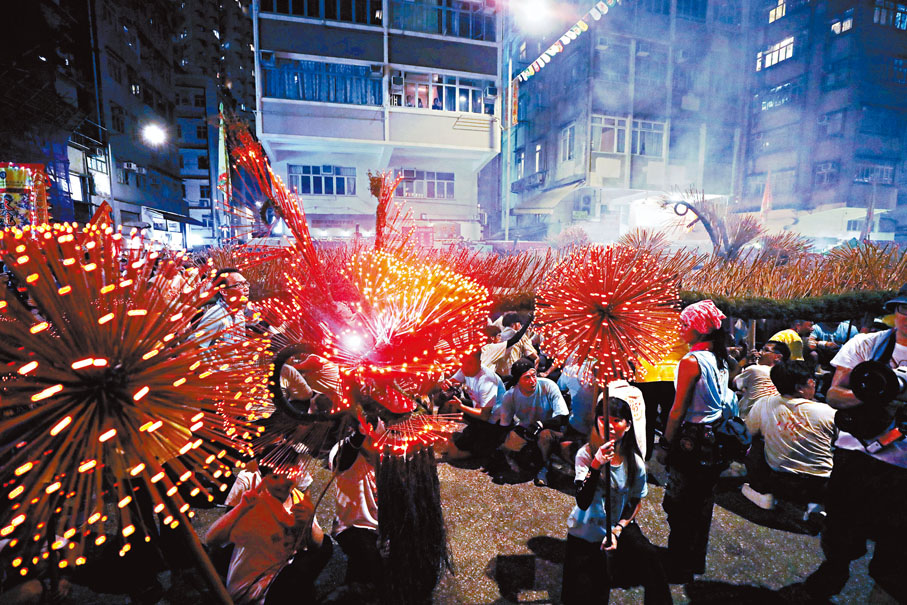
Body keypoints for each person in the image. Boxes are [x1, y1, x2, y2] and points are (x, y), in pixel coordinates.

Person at [787, 286, 907, 603]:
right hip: (854, 456)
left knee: (894, 552)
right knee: (840, 532)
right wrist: (876, 391)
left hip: (901, 468)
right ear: (896, 311)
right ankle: (830, 576)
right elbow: (834, 395)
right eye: (905, 310)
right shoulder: (866, 344)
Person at [655, 300, 737, 584]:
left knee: (679, 503)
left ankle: (677, 563)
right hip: (715, 441)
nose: (681, 329)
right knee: (702, 502)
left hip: (692, 439)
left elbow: (678, 410)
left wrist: (665, 445)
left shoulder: (691, 362)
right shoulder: (722, 359)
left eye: (685, 324)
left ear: (701, 329)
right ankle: (694, 560)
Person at [562, 397, 671, 605]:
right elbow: (583, 500)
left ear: (628, 425)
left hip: (615, 524)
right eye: (603, 419)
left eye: (616, 420)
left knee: (651, 559)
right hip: (586, 528)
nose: (609, 426)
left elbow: (635, 501)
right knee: (587, 591)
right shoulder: (585, 454)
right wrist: (596, 464)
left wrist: (618, 529)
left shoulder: (635, 462)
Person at [205, 464, 330, 604]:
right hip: (252, 591)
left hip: (283, 581)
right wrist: (241, 508)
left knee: (327, 545)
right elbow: (211, 539)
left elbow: (317, 545)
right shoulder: (256, 503)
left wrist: (309, 522)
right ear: (264, 477)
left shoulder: (299, 501)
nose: (282, 483)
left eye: (288, 474)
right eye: (275, 476)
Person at [742, 361, 837, 511]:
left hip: (778, 480)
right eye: (812, 380)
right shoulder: (828, 412)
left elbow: (748, 432)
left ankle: (762, 490)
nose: (814, 384)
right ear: (800, 388)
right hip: (821, 485)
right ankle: (817, 506)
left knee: (757, 441)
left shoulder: (764, 403)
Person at [493, 358, 569, 485]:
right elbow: (504, 425)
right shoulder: (510, 395)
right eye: (527, 377)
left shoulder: (548, 386)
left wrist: (540, 424)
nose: (533, 380)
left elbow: (563, 417)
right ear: (518, 380)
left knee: (545, 436)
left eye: (534, 375)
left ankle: (544, 468)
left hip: (550, 430)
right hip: (527, 430)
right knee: (507, 443)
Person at [329, 414, 383, 591]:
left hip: (382, 527)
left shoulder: (387, 454)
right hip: (353, 527)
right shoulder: (344, 450)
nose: (379, 446)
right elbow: (342, 460)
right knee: (369, 560)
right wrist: (360, 434)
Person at [440, 348, 507, 460]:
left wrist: (461, 407)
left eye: (470, 363)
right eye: (463, 362)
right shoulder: (465, 369)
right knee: (453, 404)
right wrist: (447, 384)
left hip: (496, 419)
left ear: (479, 363)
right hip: (480, 409)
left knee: (468, 452)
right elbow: (453, 381)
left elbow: (485, 415)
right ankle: (473, 433)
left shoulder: (486, 381)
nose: (465, 367)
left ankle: (487, 441)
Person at [197, 268, 252, 348]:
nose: (246, 288)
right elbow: (193, 348)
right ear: (224, 292)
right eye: (239, 285)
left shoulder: (238, 311)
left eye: (246, 284)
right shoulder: (217, 314)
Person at [733, 339, 790, 418]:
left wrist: (744, 361)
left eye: (766, 350)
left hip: (748, 422)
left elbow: (733, 383)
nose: (759, 353)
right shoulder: (786, 376)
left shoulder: (755, 369)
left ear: (778, 357)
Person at [495, 312, 539, 383]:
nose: (521, 326)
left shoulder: (498, 336)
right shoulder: (518, 336)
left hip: (498, 374)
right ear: (514, 324)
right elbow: (534, 356)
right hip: (514, 374)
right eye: (519, 323)